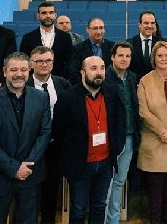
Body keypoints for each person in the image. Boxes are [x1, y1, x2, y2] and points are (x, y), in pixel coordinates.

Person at [53, 56, 126, 224]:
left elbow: (120, 123)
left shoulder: (112, 92)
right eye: (94, 69)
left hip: (106, 163)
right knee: (78, 209)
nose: (99, 73)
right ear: (83, 73)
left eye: (101, 68)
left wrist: (116, 148)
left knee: (99, 206)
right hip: (80, 164)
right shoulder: (68, 97)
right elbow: (59, 133)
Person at [0, 52, 51, 224]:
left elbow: (44, 133)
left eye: (23, 69)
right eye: (13, 70)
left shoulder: (41, 97)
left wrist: (27, 165)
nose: (18, 74)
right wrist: (13, 167)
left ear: (29, 71)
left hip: (30, 174)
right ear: (5, 71)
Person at [137, 41, 167, 224]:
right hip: (154, 143)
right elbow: (143, 112)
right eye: (160, 55)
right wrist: (162, 131)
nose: (163, 59)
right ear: (154, 58)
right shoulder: (145, 80)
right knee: (155, 190)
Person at [25, 46, 71, 224]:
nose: (44, 64)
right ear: (31, 64)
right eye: (39, 61)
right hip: (30, 147)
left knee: (51, 189)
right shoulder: (25, 84)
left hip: (55, 146)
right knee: (29, 191)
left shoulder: (63, 84)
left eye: (48, 61)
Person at [104, 41, 141, 224]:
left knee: (119, 181)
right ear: (112, 57)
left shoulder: (133, 77)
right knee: (107, 183)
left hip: (129, 136)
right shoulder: (104, 77)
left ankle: (114, 220)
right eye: (120, 55)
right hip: (110, 139)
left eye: (127, 56)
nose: (124, 59)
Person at [19, 1, 73, 79]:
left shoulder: (65, 37)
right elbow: (24, 61)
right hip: (34, 83)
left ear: (55, 15)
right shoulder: (28, 38)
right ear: (38, 16)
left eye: (51, 13)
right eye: (44, 13)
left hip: (59, 82)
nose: (48, 16)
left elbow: (68, 61)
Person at [69, 18, 115, 85]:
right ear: (87, 30)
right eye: (95, 28)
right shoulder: (78, 49)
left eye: (101, 28)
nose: (99, 32)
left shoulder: (113, 47)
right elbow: (74, 74)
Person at [128, 10, 166, 83]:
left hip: (157, 85)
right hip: (136, 86)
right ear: (139, 24)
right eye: (146, 23)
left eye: (152, 23)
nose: (149, 26)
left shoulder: (162, 43)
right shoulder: (130, 43)